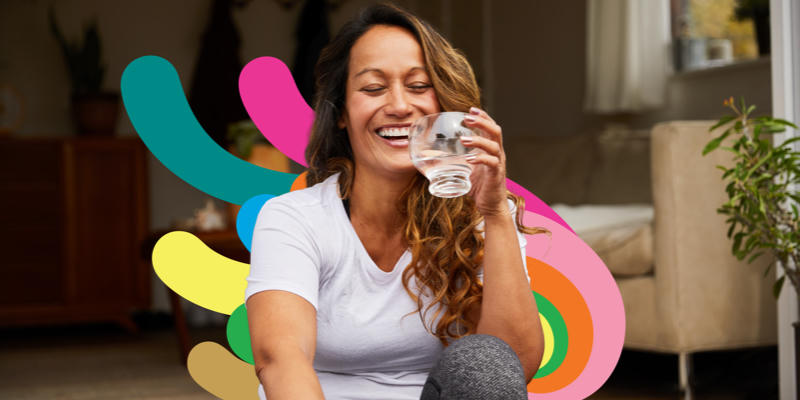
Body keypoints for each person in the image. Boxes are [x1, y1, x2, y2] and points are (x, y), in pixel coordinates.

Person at [245, 3, 546, 399]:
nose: (401, 106)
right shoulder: (293, 218)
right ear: (341, 112)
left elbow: (511, 365)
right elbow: (280, 358)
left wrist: (494, 214)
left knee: (483, 359)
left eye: (419, 86)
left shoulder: (482, 214)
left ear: (443, 107)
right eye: (373, 88)